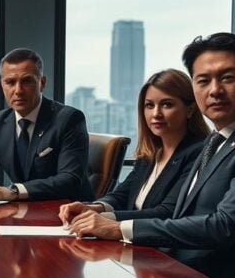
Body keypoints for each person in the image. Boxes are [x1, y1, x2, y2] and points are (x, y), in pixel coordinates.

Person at [67, 33, 235, 278]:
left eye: (227, 78)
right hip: (173, 268)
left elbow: (225, 225)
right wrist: (101, 212)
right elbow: (182, 213)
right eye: (203, 81)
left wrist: (119, 228)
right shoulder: (218, 139)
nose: (215, 90)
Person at [59, 69, 208, 225]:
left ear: (190, 109)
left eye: (167, 104)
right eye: (149, 105)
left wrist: (106, 219)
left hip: (160, 246)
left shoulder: (198, 153)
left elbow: (167, 212)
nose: (156, 113)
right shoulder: (150, 153)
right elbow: (122, 195)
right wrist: (94, 207)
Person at [0, 48, 94, 202]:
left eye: (26, 81)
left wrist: (14, 191)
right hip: (22, 213)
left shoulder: (69, 119)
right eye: (10, 82)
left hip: (70, 214)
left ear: (42, 83)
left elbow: (70, 179)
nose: (18, 91)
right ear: (2, 85)